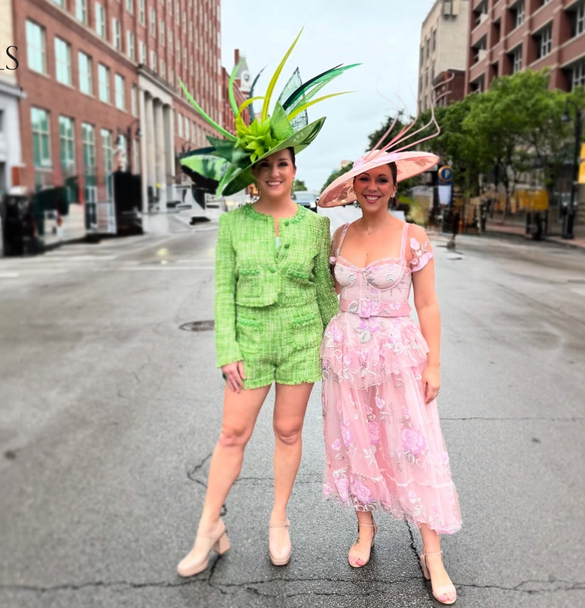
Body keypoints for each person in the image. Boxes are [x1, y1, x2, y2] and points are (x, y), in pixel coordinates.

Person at [174, 32, 357, 577]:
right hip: (249, 344)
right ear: (252, 174)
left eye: (282, 163)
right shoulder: (233, 225)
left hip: (301, 343)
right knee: (232, 433)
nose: (274, 173)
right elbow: (222, 291)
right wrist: (226, 348)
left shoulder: (315, 225)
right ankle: (210, 525)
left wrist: (342, 346)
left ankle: (279, 518)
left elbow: (326, 293)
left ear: (294, 167)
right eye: (264, 166)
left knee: (288, 432)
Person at [317, 114, 461, 605]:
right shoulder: (337, 238)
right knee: (356, 441)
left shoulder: (412, 237)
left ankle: (432, 552)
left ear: (394, 186)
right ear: (353, 186)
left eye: (382, 179)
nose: (373, 187)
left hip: (399, 357)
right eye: (365, 179)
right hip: (345, 357)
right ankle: (365, 527)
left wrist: (434, 363)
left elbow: (427, 304)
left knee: (412, 445)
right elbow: (320, 294)